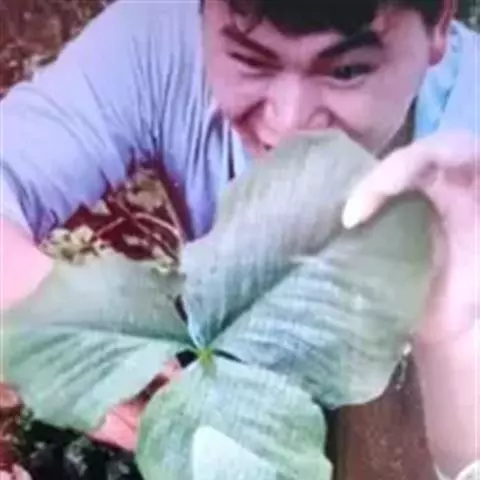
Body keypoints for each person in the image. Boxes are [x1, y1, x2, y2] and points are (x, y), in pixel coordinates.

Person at [0, 0, 478, 478]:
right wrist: (83, 336)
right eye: (251, 60)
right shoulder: (161, 44)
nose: (288, 122)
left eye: (347, 71)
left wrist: (456, 340)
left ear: (438, 24)